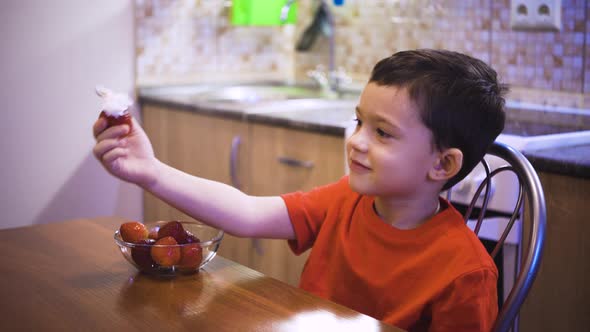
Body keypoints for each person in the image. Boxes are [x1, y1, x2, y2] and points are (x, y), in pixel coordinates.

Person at [93, 49, 507, 331]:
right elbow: (246, 213)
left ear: (443, 163)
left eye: (383, 132)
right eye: (359, 121)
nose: (357, 140)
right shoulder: (346, 199)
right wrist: (149, 171)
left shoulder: (465, 275)